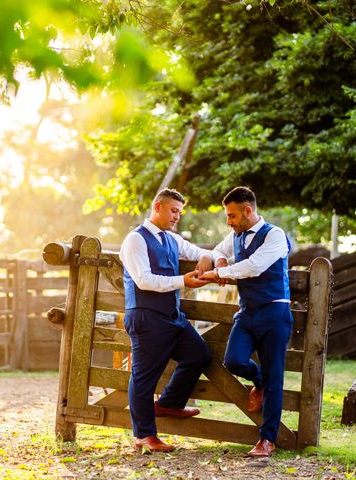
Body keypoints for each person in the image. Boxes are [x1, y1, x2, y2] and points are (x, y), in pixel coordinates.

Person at [200, 186, 292, 458]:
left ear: (248, 211)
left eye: (231, 216)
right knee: (233, 361)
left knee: (276, 376)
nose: (228, 222)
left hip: (274, 313)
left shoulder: (274, 235)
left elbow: (254, 267)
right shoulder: (235, 235)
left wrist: (219, 273)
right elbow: (219, 248)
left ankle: (267, 440)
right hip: (247, 312)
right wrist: (215, 259)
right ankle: (257, 379)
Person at [120, 188, 213, 452]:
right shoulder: (135, 240)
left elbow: (197, 252)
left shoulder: (172, 239)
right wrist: (183, 280)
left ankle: (170, 403)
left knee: (199, 356)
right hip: (146, 316)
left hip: (173, 317)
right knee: (143, 377)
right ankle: (144, 436)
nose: (177, 217)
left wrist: (207, 258)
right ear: (158, 207)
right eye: (173, 211)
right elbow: (144, 280)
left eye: (180, 213)